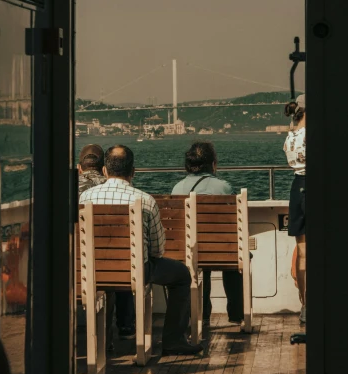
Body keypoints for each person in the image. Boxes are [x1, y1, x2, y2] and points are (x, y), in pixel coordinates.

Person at [80, 145, 203, 356]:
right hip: (135, 271)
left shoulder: (84, 199)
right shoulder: (145, 200)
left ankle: (103, 342)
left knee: (105, 282)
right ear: (133, 172)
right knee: (182, 275)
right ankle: (173, 340)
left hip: (92, 271)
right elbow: (157, 249)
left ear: (105, 171)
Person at [172, 141, 244, 326]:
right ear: (213, 164)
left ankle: (202, 315)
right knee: (235, 257)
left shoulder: (177, 189)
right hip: (220, 250)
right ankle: (236, 315)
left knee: (200, 263)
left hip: (188, 252)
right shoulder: (225, 188)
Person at [77, 143, 135, 341]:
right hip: (121, 262)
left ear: (79, 167)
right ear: (104, 168)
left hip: (82, 262)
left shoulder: (78, 193)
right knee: (125, 254)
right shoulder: (126, 191)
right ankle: (126, 325)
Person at [283, 93, 306, 325]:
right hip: (317, 186)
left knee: (302, 252)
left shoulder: (289, 138)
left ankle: (306, 305)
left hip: (297, 187)